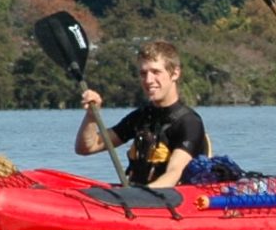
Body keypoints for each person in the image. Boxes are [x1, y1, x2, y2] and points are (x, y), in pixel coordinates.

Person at [75, 40, 207, 189]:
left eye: (156, 72)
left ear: (175, 73)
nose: (148, 80)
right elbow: (87, 148)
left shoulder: (189, 122)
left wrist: (137, 198)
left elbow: (173, 174)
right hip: (138, 197)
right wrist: (91, 117)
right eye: (143, 73)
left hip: (170, 202)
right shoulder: (141, 117)